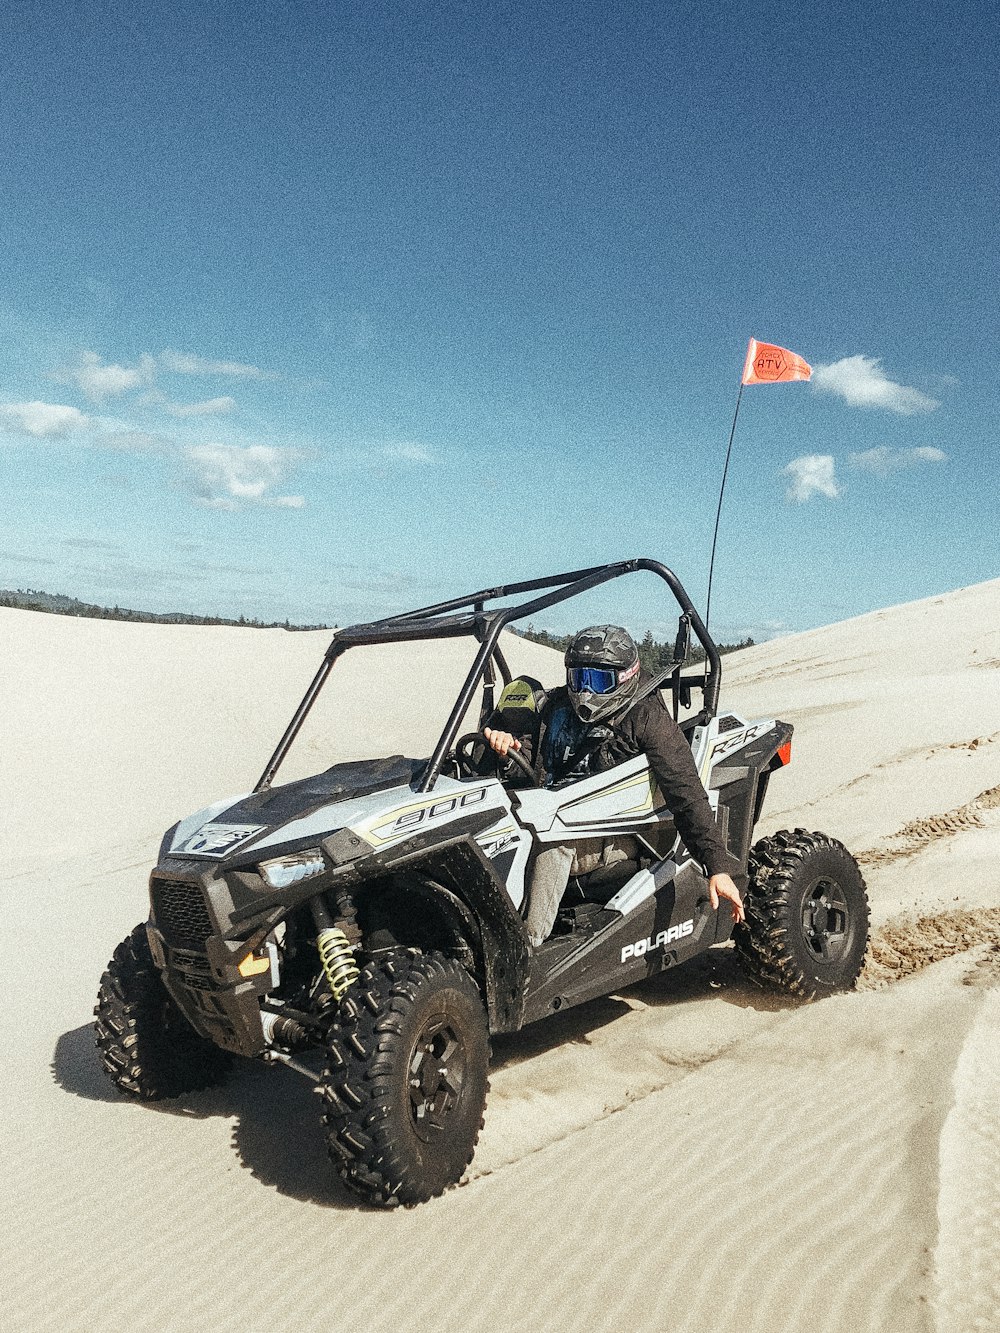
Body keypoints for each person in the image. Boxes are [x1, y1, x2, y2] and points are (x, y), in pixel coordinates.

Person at [484, 624, 745, 947]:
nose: (585, 692)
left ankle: (525, 950)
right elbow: (534, 758)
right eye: (579, 679)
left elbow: (687, 793)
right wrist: (507, 749)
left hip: (620, 829)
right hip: (553, 811)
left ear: (624, 677)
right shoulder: (557, 707)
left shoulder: (647, 719)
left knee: (552, 843)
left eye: (598, 681)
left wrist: (717, 866)